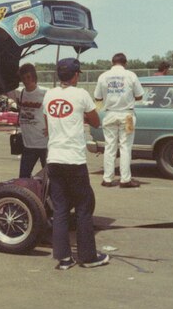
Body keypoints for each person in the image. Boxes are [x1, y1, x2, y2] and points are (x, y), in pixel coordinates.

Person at [43, 58, 108, 270]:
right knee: (84, 205)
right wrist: (80, 116)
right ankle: (88, 257)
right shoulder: (81, 95)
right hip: (74, 159)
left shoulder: (49, 94)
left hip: (54, 158)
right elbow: (96, 121)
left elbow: (48, 125)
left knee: (60, 208)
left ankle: (63, 258)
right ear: (75, 75)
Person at [94, 53, 144, 188]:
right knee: (125, 147)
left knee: (109, 147)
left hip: (110, 114)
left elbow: (97, 97)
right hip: (127, 115)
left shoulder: (103, 76)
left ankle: (107, 179)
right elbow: (139, 96)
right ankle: (125, 179)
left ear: (112, 62)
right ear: (125, 63)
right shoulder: (131, 75)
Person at [8, 63, 48, 178]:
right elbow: (3, 88)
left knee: (51, 178)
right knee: (23, 177)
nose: (26, 81)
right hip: (28, 145)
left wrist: (52, 128)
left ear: (34, 77)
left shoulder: (46, 93)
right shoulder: (19, 93)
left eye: (29, 77)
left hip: (45, 144)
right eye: (23, 78)